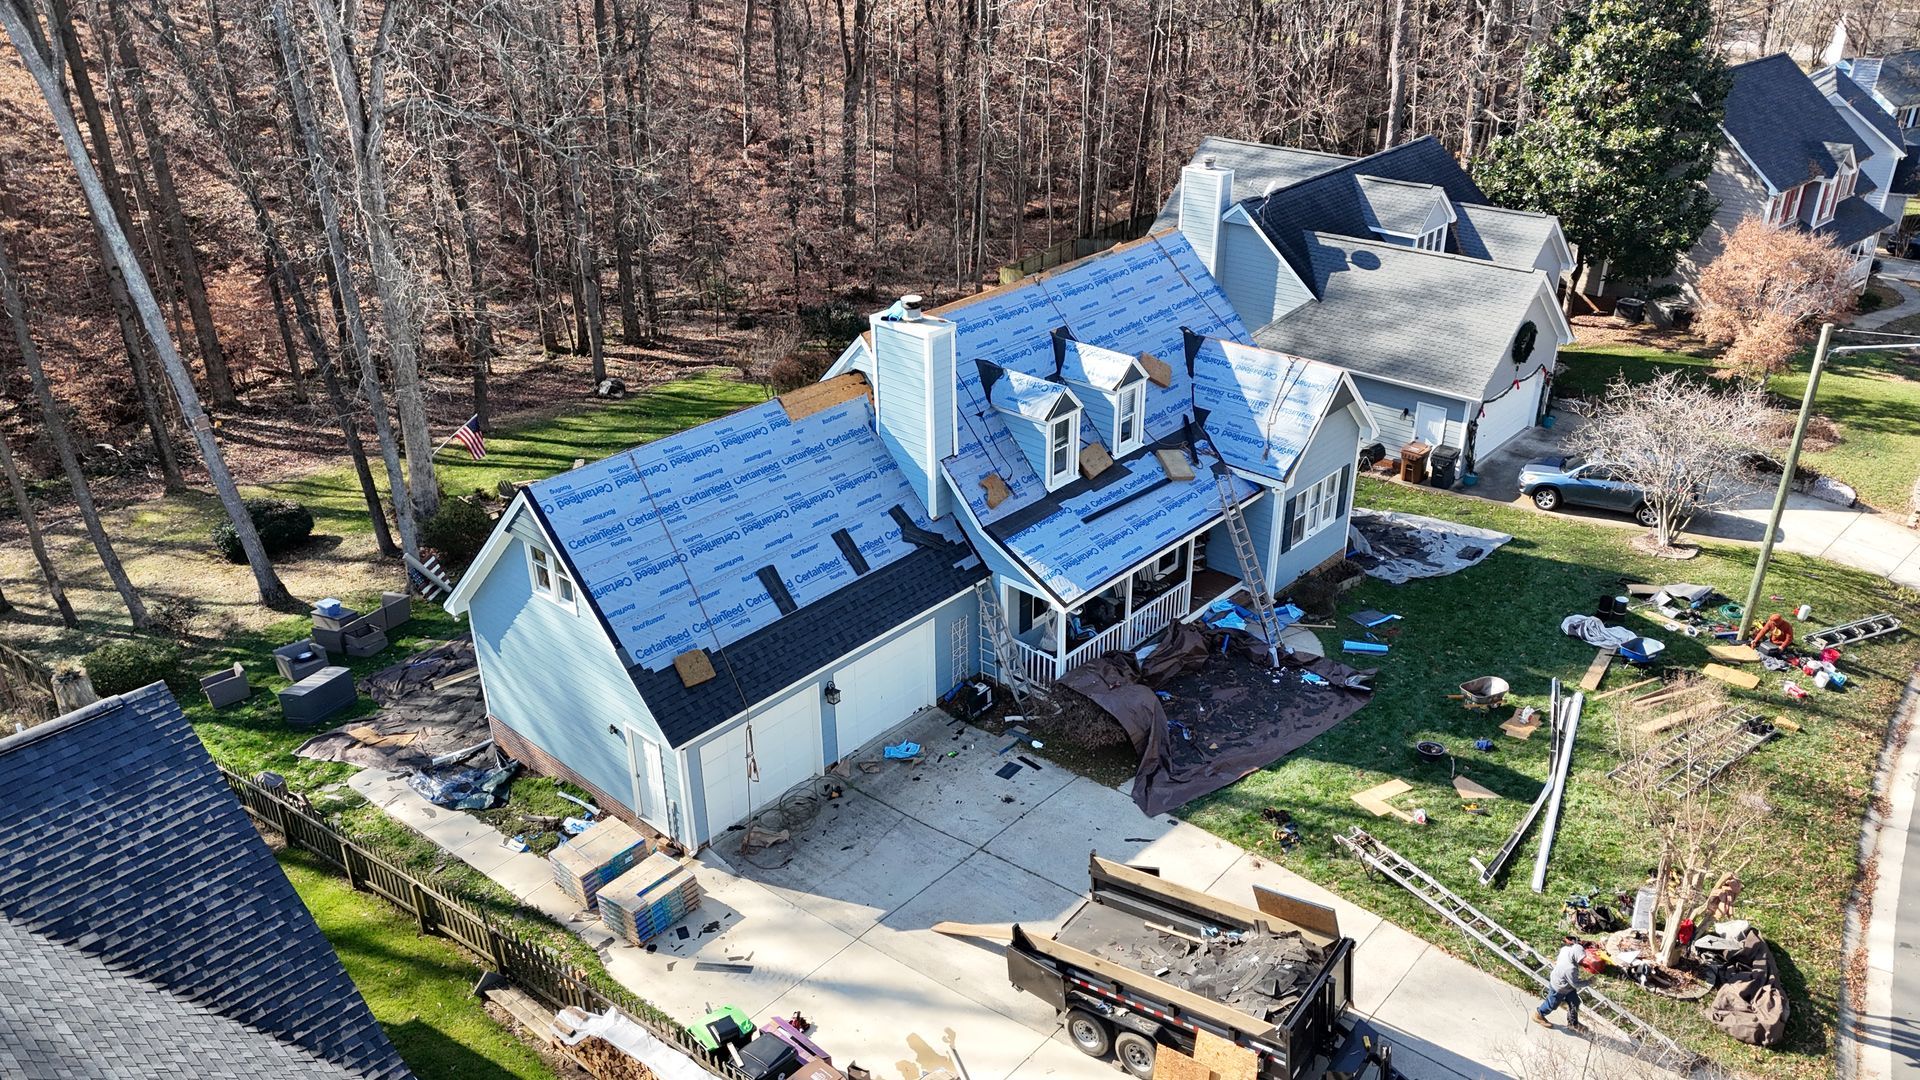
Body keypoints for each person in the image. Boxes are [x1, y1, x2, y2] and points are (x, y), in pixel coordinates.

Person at [1534, 935, 1588, 1031]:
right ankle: (1539, 1015)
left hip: (1563, 982)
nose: (1582, 961)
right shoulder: (1570, 968)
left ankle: (1573, 1023)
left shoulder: (1565, 950)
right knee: (1552, 1004)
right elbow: (1575, 984)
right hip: (1559, 987)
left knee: (1574, 1002)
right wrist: (1589, 982)